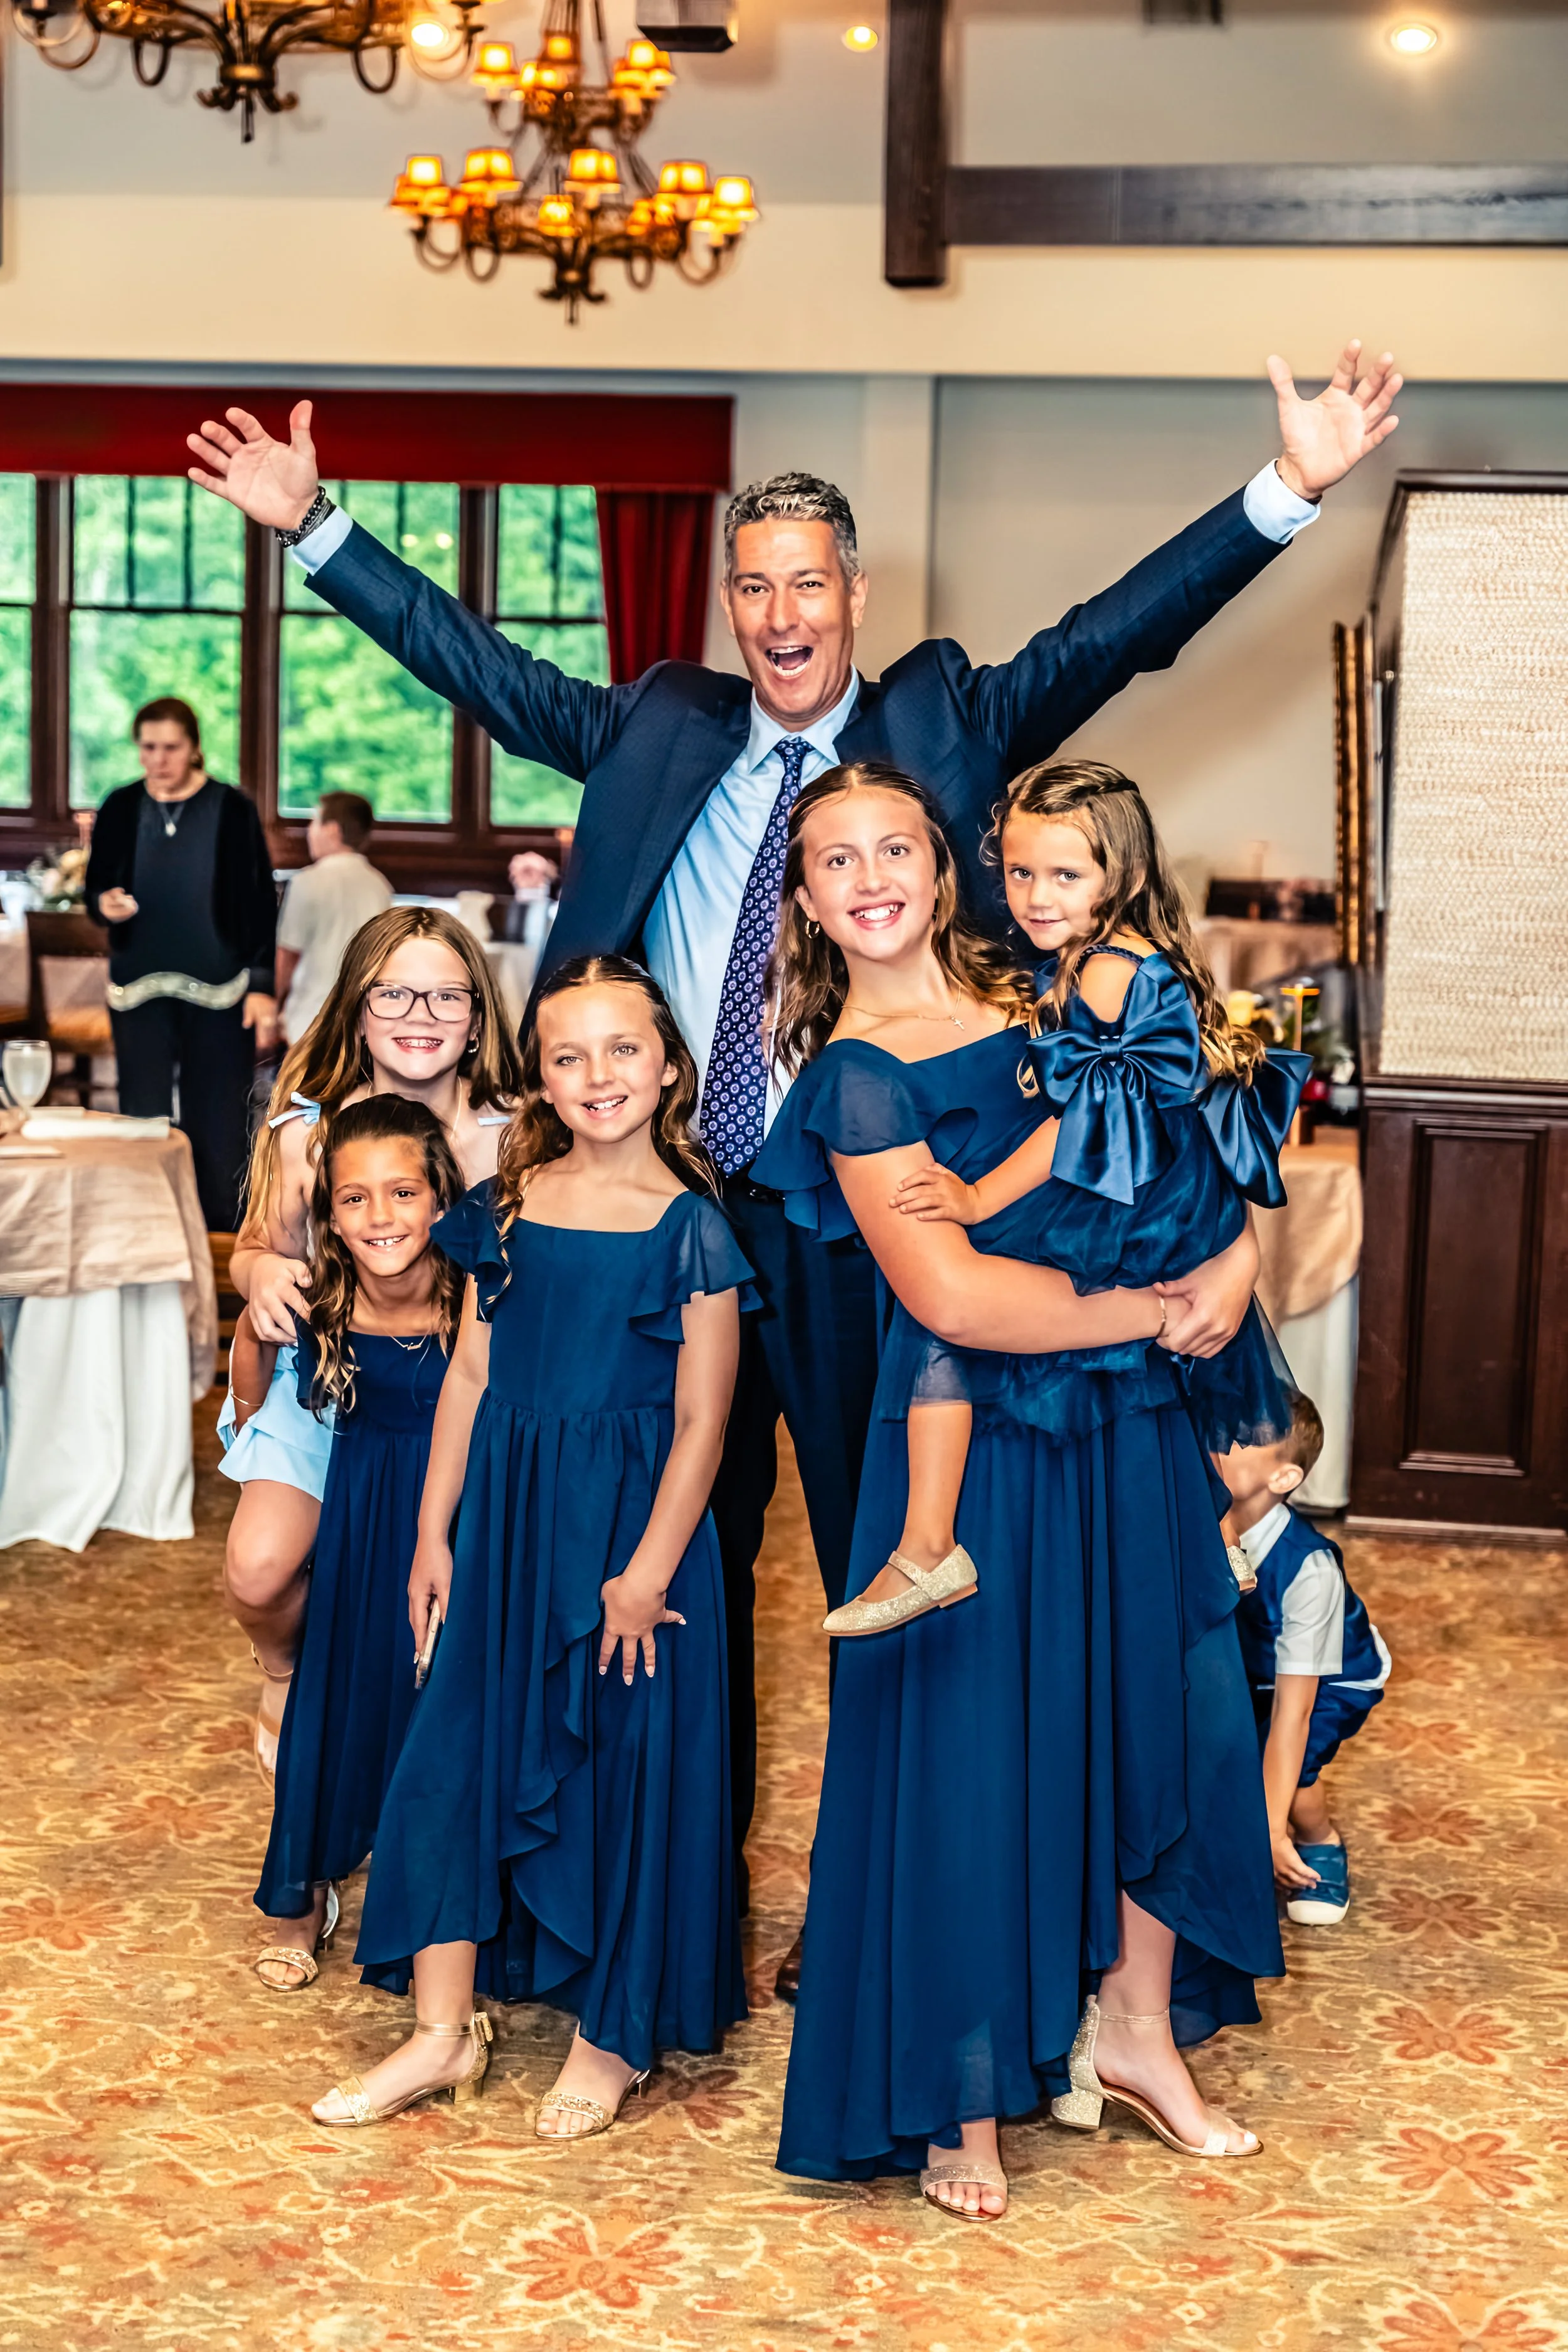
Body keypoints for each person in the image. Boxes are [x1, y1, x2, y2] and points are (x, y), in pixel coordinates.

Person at [186, 346, 1401, 1987]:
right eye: (749, 584)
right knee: (660, 1566)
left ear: (852, 593)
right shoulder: (659, 722)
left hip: (864, 1215)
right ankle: (657, 1919)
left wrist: (1291, 486)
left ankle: (868, 1918)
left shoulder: (936, 713)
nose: (776, 611)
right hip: (664, 1210)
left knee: (879, 1557)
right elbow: (474, 667)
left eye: (804, 582)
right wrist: (315, 525)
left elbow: (1120, 629)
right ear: (728, 604)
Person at [751, 769, 1281, 2219]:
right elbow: (955, 1295)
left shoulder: (1046, 986)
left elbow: (1184, 1142)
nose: (869, 875)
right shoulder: (854, 1077)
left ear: (943, 864)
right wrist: (1155, 1306)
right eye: (833, 858)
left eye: (895, 847)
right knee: (972, 1763)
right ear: (804, 898)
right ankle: (960, 2086)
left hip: (1122, 1424)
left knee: (1159, 1711)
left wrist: (1229, 1268)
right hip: (975, 1449)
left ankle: (1135, 2028)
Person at [310, 958, 751, 2136]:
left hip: (628, 1540)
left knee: (626, 1773)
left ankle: (614, 2038)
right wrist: (432, 1537)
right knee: (447, 1765)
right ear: (541, 1080)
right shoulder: (507, 1204)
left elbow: (707, 1420)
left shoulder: (693, 1227)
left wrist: (648, 1572)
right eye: (569, 1056)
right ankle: (439, 2035)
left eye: (622, 1051)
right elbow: (469, 1373)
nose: (597, 1076)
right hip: (504, 1528)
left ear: (668, 1067)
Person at [828, 758, 1310, 1636]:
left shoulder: (1098, 972)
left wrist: (976, 1197)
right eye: (1018, 872)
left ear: (1118, 874)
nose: (1035, 896)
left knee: (949, 1313)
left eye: (1063, 874)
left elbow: (1078, 1124)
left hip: (1138, 1188)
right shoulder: (1112, 956)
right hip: (1174, 1183)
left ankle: (929, 1542)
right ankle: (1221, 1526)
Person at [220, 907, 522, 1778]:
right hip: (332, 1381)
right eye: (393, 992)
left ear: (476, 1017)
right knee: (261, 1569)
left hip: (468, 1390)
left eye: (444, 995)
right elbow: (255, 1247)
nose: (419, 1013)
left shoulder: (516, 1132)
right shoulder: (309, 1129)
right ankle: (283, 1668)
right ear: (356, 1007)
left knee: (450, 1596)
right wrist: (261, 1277)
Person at [250, 1095, 463, 1991]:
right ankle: (302, 1894)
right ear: (328, 1215)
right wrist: (254, 1312)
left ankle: (433, 1904)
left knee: (438, 1698)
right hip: (365, 1506)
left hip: (457, 1512)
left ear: (442, 1198)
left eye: (403, 1192)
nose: (382, 1217)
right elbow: (252, 1386)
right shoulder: (324, 1295)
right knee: (343, 1688)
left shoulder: (477, 1290)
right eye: (354, 1200)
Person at [84, 696, 277, 1231]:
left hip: (222, 989)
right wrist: (104, 904)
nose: (159, 759)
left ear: (194, 748)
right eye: (149, 747)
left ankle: (221, 1239)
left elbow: (261, 901)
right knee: (141, 1118)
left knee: (217, 1120)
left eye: (171, 747)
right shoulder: (120, 805)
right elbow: (95, 887)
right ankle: (143, 1229)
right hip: (137, 987)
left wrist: (262, 986)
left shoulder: (232, 808)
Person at [1219, 1393, 1392, 1927]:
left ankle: (1318, 1839)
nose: (1216, 1447)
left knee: (1291, 1769)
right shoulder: (1202, 1518)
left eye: (1240, 1441)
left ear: (1284, 1479)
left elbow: (1294, 1715)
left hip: (1334, 1678)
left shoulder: (1309, 1570)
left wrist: (1271, 1827)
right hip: (1251, 1667)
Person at [274, 792, 393, 1044]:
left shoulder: (307, 882)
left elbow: (287, 954)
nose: (309, 832)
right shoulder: (380, 885)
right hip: (363, 1019)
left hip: (310, 1016)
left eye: (314, 822)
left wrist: (273, 1005)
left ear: (332, 830)